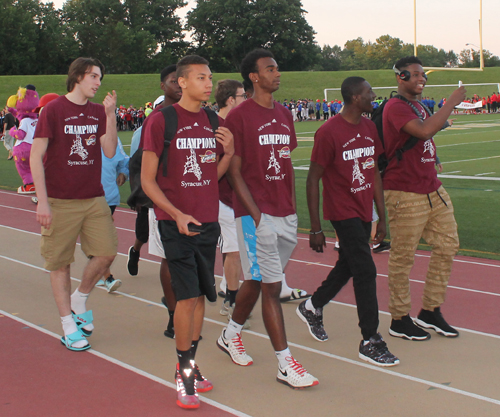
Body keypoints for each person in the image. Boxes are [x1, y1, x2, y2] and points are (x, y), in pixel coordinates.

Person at [217, 49, 318, 389]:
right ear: (254, 77)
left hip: (284, 211)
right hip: (254, 214)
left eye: (277, 67)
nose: (277, 73)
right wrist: (256, 216)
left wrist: (290, 206)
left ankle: (231, 333)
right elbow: (233, 172)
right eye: (270, 68)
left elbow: (284, 161)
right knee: (273, 287)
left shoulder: (284, 113)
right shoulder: (240, 117)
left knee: (258, 280)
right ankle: (285, 363)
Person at [141, 55, 234, 409]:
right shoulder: (161, 120)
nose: (209, 83)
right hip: (174, 222)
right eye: (200, 77)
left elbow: (212, 173)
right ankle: (184, 373)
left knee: (198, 298)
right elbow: (148, 181)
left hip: (207, 221)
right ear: (182, 82)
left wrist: (231, 151)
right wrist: (177, 213)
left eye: (210, 77)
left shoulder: (212, 119)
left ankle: (191, 366)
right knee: (185, 297)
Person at [297, 76, 399, 367]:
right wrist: (316, 228)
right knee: (365, 270)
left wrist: (381, 217)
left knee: (349, 264)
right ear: (355, 97)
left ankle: (312, 305)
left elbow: (374, 173)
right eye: (369, 92)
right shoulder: (328, 132)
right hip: (342, 210)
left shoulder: (369, 127)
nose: (374, 96)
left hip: (364, 209)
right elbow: (312, 179)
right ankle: (370, 339)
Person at [30, 57, 118, 352]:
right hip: (60, 200)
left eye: (100, 78)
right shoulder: (53, 110)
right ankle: (68, 324)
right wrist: (42, 201)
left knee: (106, 253)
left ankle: (79, 298)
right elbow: (36, 155)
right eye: (94, 77)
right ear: (78, 77)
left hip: (93, 198)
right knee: (61, 263)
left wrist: (110, 115)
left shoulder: (97, 111)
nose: (98, 83)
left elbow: (108, 150)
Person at [383, 56, 466, 341]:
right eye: (415, 75)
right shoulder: (394, 106)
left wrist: (436, 153)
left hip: (431, 187)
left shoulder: (416, 105)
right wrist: (450, 103)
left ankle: (430, 310)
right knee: (403, 257)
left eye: (423, 75)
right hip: (404, 191)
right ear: (400, 77)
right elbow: (423, 130)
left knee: (448, 245)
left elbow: (426, 135)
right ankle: (399, 317)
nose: (421, 79)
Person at [127, 64, 182, 339]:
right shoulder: (157, 119)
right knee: (170, 259)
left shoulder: (198, 116)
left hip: (192, 198)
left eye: (181, 80)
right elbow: (139, 161)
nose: (179, 85)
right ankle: (174, 315)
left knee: (192, 261)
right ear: (163, 86)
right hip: (162, 200)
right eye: (173, 81)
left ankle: (182, 309)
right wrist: (142, 195)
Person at [214, 79, 248, 322]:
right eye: (242, 96)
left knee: (233, 249)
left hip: (235, 197)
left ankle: (228, 290)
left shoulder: (236, 123)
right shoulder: (217, 126)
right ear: (230, 100)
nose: (245, 99)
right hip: (221, 197)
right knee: (235, 250)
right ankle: (232, 301)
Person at [95, 137, 129, 292]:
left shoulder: (113, 137)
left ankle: (102, 275)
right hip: (88, 197)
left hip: (109, 197)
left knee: (102, 238)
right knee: (100, 237)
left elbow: (123, 159)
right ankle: (106, 276)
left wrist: (123, 172)